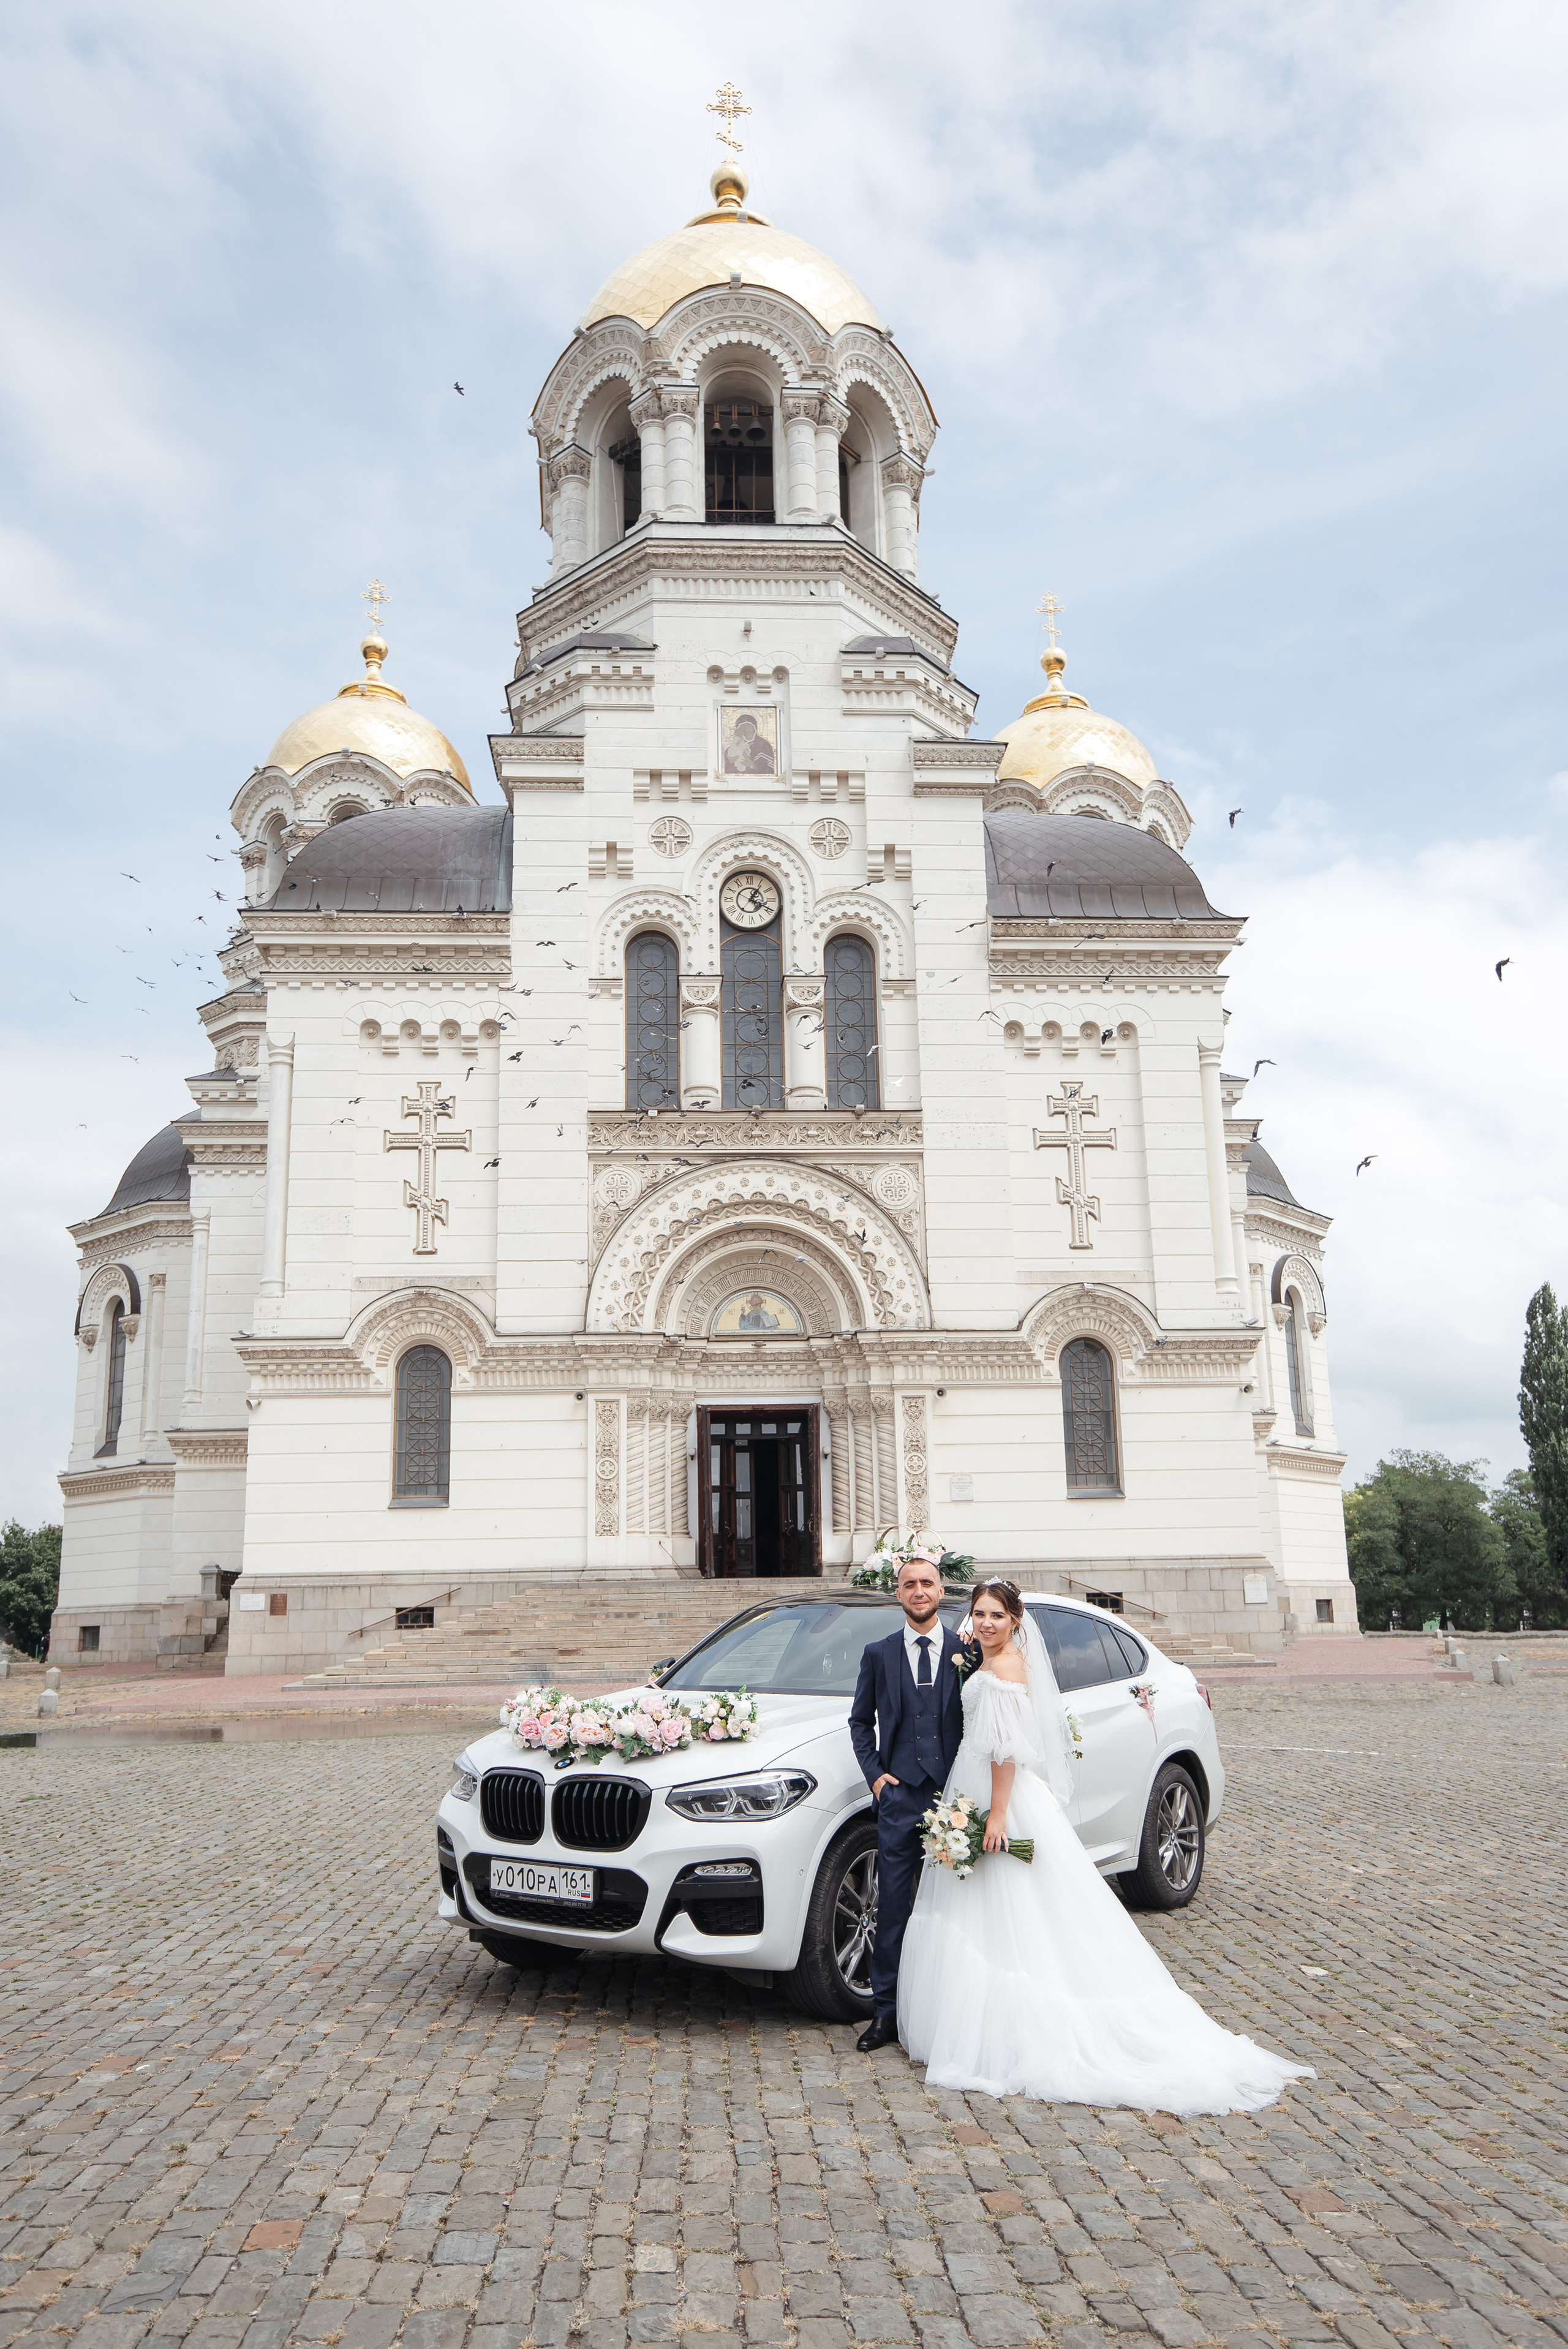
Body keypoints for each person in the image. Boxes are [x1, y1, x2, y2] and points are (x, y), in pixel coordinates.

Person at [896, 1577, 1315, 2113]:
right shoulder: (986, 1658)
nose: (986, 1622)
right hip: (974, 1783)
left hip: (999, 1794)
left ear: (1016, 1621)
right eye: (979, 1613)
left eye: (997, 1615)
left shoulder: (1005, 1667)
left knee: (1010, 1907)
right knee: (997, 1905)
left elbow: (1004, 1749)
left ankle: (1005, 2032)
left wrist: (997, 1813)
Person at [847, 1553, 974, 2053]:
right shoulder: (878, 1654)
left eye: (927, 1582)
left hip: (954, 1795)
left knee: (957, 1906)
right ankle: (886, 2013)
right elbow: (860, 1722)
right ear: (898, 1593)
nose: (919, 1590)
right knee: (894, 1906)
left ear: (941, 1591)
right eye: (909, 1584)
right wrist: (876, 1777)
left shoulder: (968, 1651)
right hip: (899, 1797)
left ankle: (951, 2010)